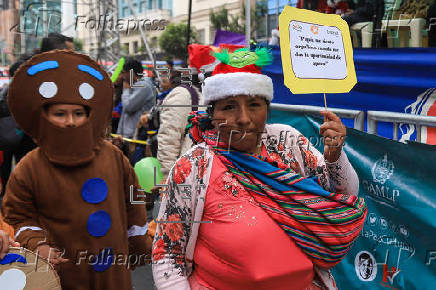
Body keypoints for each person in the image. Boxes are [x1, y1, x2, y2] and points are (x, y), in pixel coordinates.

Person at [152, 48, 367, 289]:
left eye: (254, 105)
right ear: (212, 115)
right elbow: (167, 257)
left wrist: (335, 156)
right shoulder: (193, 167)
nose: (244, 118)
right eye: (229, 107)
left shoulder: (288, 142)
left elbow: (346, 193)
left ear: (267, 108)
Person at [3, 50, 153, 289]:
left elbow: (133, 198)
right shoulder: (30, 167)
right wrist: (37, 244)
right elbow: (18, 215)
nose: (70, 121)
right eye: (60, 114)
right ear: (44, 116)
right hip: (64, 274)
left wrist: (137, 238)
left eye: (78, 113)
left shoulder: (113, 157)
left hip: (113, 276)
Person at [117, 58, 155, 140]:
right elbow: (124, 113)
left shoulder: (143, 85)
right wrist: (119, 134)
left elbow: (128, 107)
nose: (123, 77)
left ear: (131, 73)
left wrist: (126, 90)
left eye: (124, 73)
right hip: (128, 135)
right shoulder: (134, 85)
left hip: (136, 136)